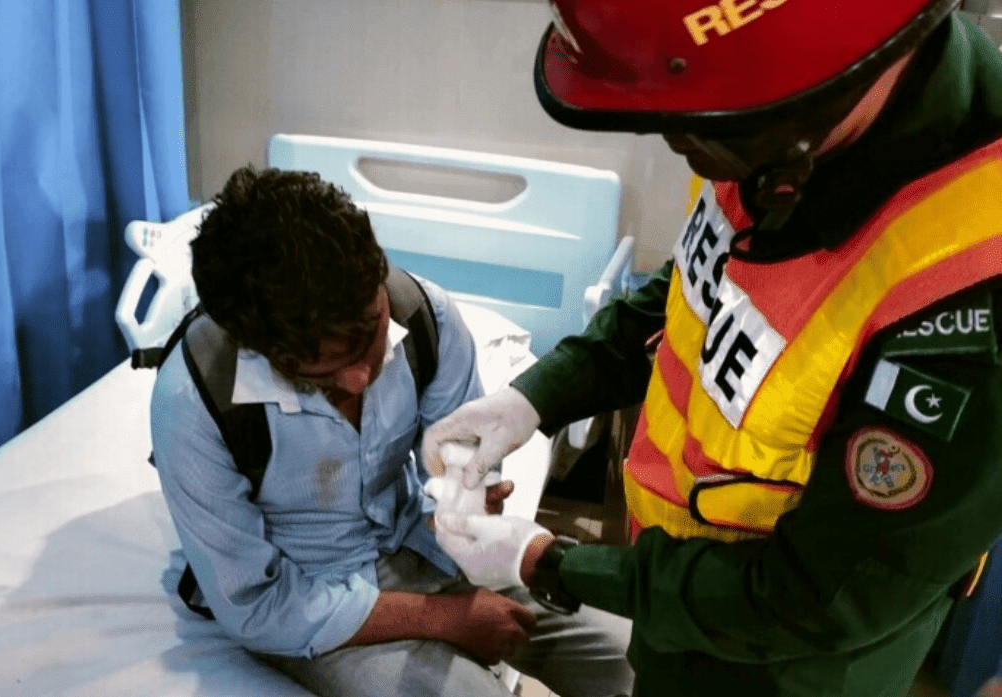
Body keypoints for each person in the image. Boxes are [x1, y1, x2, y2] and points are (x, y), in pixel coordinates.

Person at [422, 1, 1002, 695]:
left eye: (693, 132)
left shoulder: (970, 300)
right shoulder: (765, 121)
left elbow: (816, 597)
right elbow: (696, 291)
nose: (683, 150)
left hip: (788, 667)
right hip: (678, 602)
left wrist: (549, 561)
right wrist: (535, 396)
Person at [149, 165, 634, 697]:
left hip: (420, 539)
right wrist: (444, 618)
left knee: (635, 655)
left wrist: (466, 508)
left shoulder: (427, 318)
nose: (360, 378)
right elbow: (257, 606)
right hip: (310, 595)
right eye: (323, 373)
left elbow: (456, 467)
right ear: (260, 347)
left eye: (368, 338)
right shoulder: (196, 403)